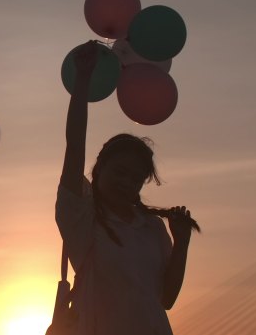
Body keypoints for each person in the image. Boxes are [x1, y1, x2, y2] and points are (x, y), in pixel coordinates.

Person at [55, 41, 198, 334]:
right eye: (119, 172)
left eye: (135, 178)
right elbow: (74, 148)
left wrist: (181, 242)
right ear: (99, 169)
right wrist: (82, 82)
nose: (126, 182)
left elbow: (166, 299)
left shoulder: (151, 227)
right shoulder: (83, 220)